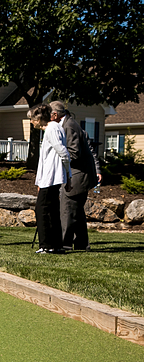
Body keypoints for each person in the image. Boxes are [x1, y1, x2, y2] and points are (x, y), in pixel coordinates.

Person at [49, 101, 101, 251]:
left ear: (55, 115)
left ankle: (64, 244)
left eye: (49, 115)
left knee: (67, 210)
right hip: (81, 175)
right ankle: (81, 244)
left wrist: (56, 158)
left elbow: (74, 153)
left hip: (78, 176)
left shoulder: (69, 126)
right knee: (77, 211)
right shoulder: (69, 124)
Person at [28, 104, 71, 254]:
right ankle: (55, 245)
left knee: (42, 210)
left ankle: (47, 245)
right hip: (49, 178)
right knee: (51, 211)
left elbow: (63, 153)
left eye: (32, 119)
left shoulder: (52, 129)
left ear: (39, 118)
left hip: (51, 178)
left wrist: (68, 175)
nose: (31, 122)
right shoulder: (53, 129)